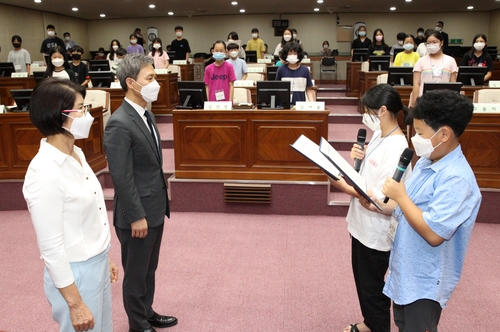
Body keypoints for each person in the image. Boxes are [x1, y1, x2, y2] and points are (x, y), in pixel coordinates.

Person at [360, 90, 481, 332]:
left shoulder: (457, 179)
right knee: (403, 325)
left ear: (444, 134)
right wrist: (381, 204)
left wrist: (401, 196)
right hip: (405, 267)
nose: (415, 139)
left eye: (420, 133)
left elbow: (434, 234)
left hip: (426, 280)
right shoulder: (428, 160)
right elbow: (407, 206)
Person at [23, 77, 119, 332]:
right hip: (74, 275)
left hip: (95, 263)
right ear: (57, 116)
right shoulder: (44, 172)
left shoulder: (77, 153)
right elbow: (51, 248)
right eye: (82, 109)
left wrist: (103, 254)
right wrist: (75, 304)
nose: (88, 115)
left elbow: (92, 214)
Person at [104, 53, 178, 332]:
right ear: (132, 83)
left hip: (155, 208)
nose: (156, 83)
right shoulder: (119, 122)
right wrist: (136, 216)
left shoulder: (146, 113)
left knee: (149, 269)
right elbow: (121, 177)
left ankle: (147, 312)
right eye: (151, 78)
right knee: (135, 274)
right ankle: (138, 325)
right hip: (136, 215)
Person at [329, 84, 411, 332]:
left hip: (376, 232)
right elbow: (368, 177)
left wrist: (342, 185)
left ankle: (377, 326)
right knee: (363, 282)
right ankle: (369, 323)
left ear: (383, 110)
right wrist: (360, 158)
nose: (366, 115)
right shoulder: (378, 135)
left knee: (373, 288)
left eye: (369, 111)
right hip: (360, 225)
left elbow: (383, 198)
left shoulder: (398, 146)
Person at [410, 30, 458, 107]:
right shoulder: (421, 61)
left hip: (445, 102)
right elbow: (416, 84)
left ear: (441, 43)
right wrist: (415, 103)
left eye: (434, 42)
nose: (431, 45)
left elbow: (453, 84)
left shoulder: (451, 60)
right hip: (424, 102)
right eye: (428, 43)